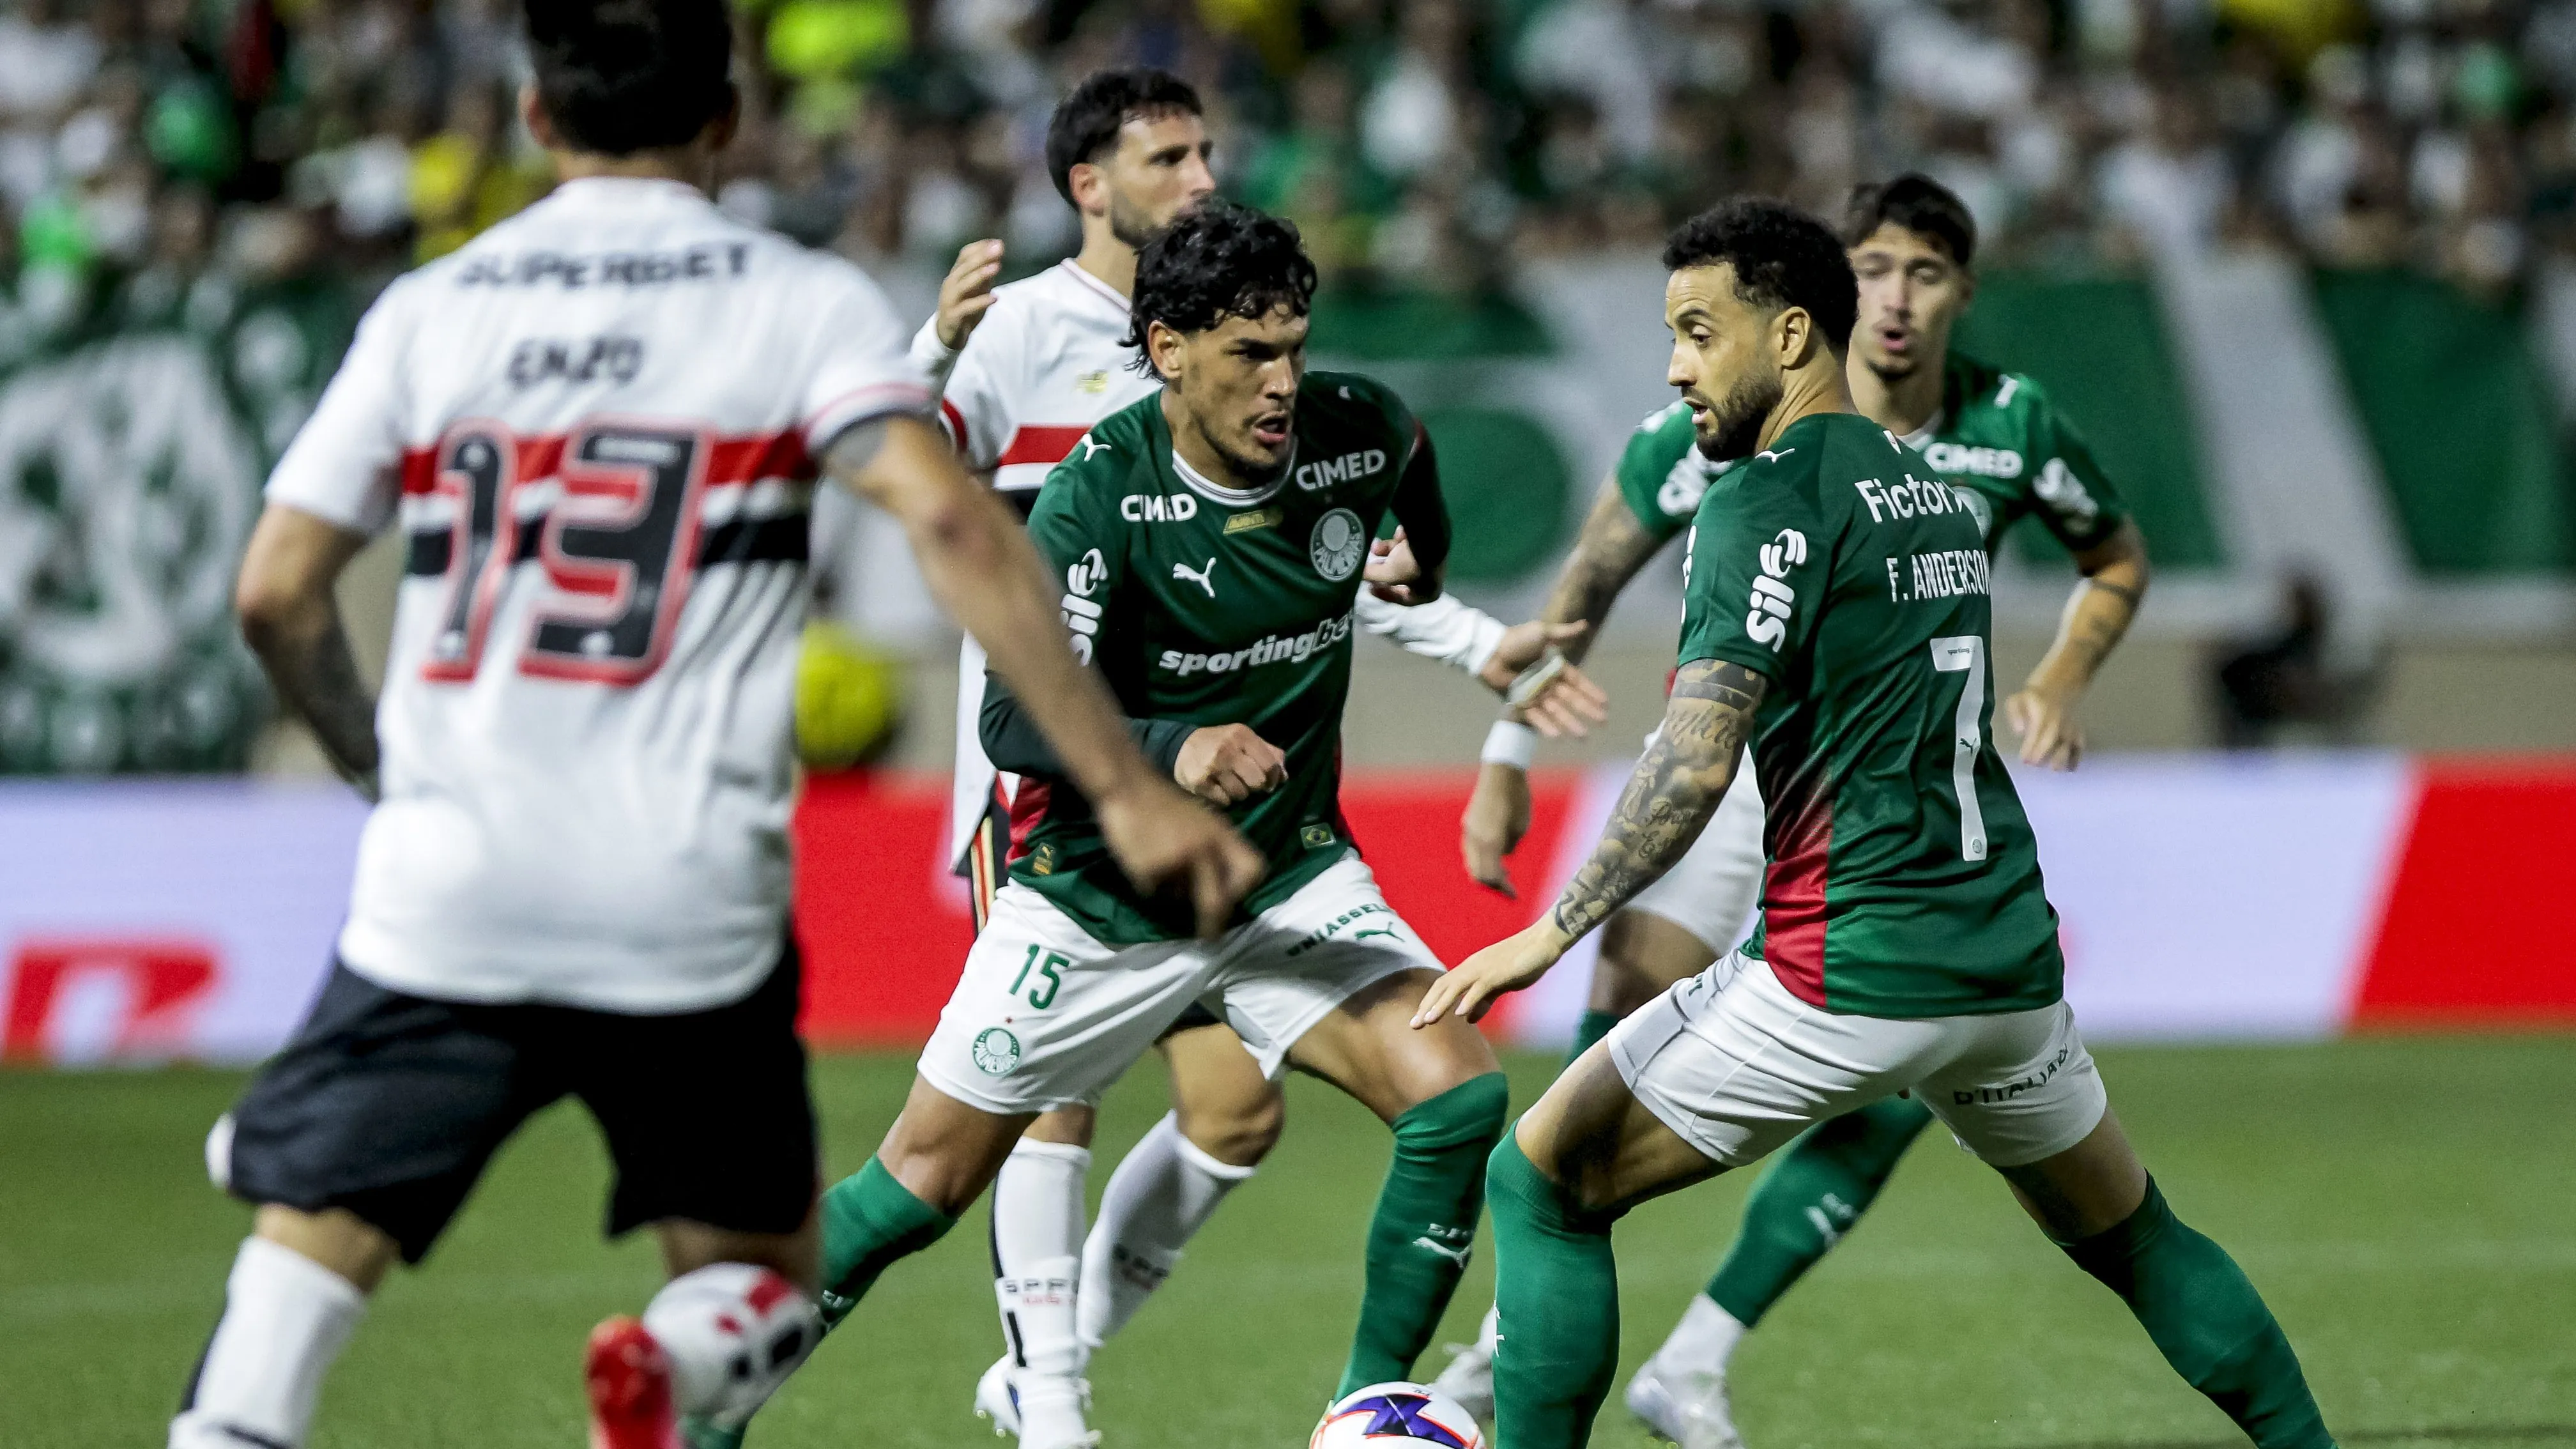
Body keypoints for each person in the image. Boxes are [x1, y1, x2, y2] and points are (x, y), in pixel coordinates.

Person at [167, 3, 1259, 1447]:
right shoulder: (789, 302)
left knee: (301, 1267)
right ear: (728, 122)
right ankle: (679, 1372)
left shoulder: (432, 308)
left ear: (537, 119)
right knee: (755, 1277)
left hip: (453, 880)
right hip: (682, 888)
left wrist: (381, 771)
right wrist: (1122, 785)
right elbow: (948, 517)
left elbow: (274, 591)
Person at [1414, 197, 2337, 1449]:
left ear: (1790, 335)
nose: (1677, 363)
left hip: (1848, 971)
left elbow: (1695, 762)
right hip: (2004, 965)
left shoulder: (1756, 504)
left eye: (1698, 330)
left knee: (1542, 1184)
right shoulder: (1931, 489)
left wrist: (1555, 928)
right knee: (2139, 1240)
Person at [891, 68, 1604, 1449]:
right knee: (1053, 1091)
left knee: (1235, 1119)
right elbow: (896, 480)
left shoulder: (1257, 353)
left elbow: (1306, 573)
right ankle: (1053, 1407)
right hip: (1058, 776)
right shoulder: (1022, 330)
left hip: (1225, 798)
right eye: (1168, 156)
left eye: (1209, 149)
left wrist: (1459, 636)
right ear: (1088, 186)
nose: (1203, 175)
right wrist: (927, 359)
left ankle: (1069, 1351)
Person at [760, 199, 1517, 1449]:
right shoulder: (1095, 498)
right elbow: (1012, 721)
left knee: (1455, 1097)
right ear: (1167, 349)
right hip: (1097, 890)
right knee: (920, 1184)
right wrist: (1175, 749)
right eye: (1248, 357)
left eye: (1294, 349)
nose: (1283, 384)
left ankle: (1367, 1411)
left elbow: (1411, 458)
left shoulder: (1354, 432)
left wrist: (1419, 566)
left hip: (1287, 876)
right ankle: (712, 1406)